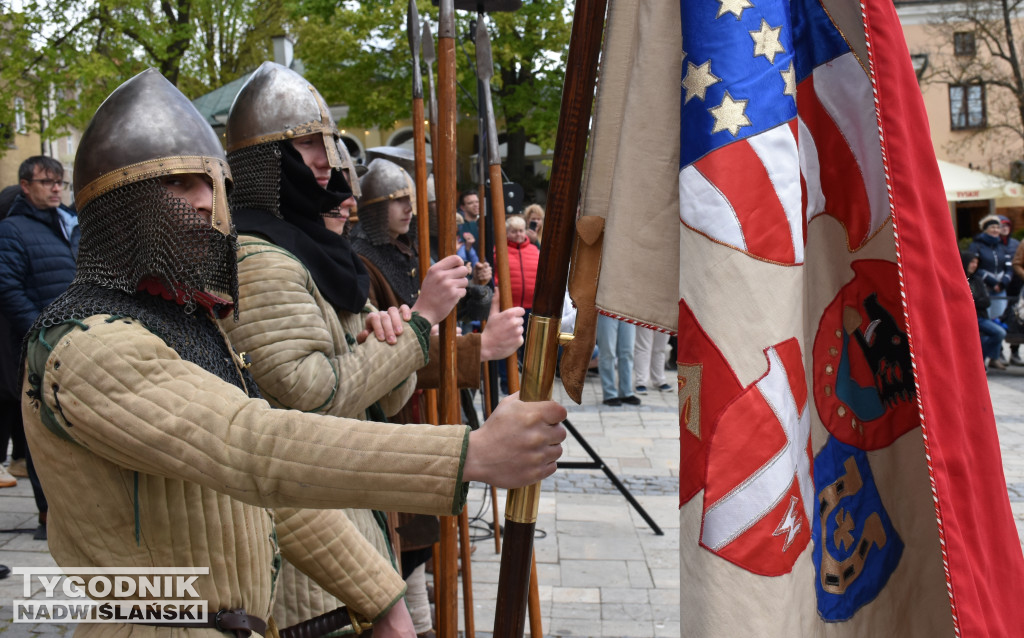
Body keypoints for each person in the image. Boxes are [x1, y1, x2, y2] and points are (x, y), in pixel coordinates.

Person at [22, 68, 566, 638]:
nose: (205, 203)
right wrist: (467, 453)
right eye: (179, 185)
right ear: (118, 207)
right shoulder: (90, 346)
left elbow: (271, 496)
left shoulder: (185, 321)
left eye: (210, 184)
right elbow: (251, 445)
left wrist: (381, 599)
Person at [0, 155, 79, 538]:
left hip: (79, 344)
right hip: (40, 347)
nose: (55, 188)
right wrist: (40, 329)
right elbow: (7, 286)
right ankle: (49, 514)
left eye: (59, 182)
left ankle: (75, 513)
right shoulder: (12, 229)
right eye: (46, 182)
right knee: (42, 435)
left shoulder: (70, 224)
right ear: (25, 186)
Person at [964, 250, 1008, 371]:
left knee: (1000, 332)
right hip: (966, 319)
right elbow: (962, 302)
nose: (974, 265)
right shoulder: (959, 279)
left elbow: (986, 301)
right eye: (972, 262)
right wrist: (974, 301)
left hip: (981, 317)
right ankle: (979, 361)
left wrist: (973, 301)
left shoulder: (977, 280)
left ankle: (981, 358)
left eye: (976, 262)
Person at [968, 215, 1012, 325]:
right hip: (983, 288)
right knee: (986, 320)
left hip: (1001, 289)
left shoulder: (1001, 246)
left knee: (1000, 318)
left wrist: (1003, 283)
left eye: (997, 227)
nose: (996, 230)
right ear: (985, 229)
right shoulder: (976, 245)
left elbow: (1009, 267)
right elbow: (974, 267)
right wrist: (992, 282)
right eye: (992, 227)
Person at [597, 314, 640, 406]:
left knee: (628, 352)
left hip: (628, 310)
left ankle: (626, 392)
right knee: (607, 352)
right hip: (606, 310)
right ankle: (609, 394)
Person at [998, 216, 1023, 365]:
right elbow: (1016, 263)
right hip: (999, 287)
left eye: (1007, 225)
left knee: (1017, 319)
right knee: (999, 318)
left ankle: (1014, 351)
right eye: (1002, 225)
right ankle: (998, 352)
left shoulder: (1015, 243)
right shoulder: (993, 244)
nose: (1005, 228)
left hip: (1016, 286)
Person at [633, 326, 672, 395]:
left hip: (666, 319)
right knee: (643, 348)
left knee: (660, 349)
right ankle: (641, 382)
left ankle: (659, 380)